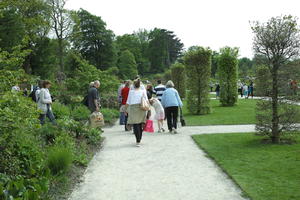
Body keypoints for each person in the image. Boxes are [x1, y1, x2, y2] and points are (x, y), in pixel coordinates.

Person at [126, 79, 148, 147]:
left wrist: (125, 109)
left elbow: (128, 102)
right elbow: (146, 100)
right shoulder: (143, 91)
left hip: (133, 108)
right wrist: (148, 110)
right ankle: (139, 137)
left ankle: (138, 140)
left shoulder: (131, 92)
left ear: (133, 85)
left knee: (135, 125)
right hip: (141, 108)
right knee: (141, 123)